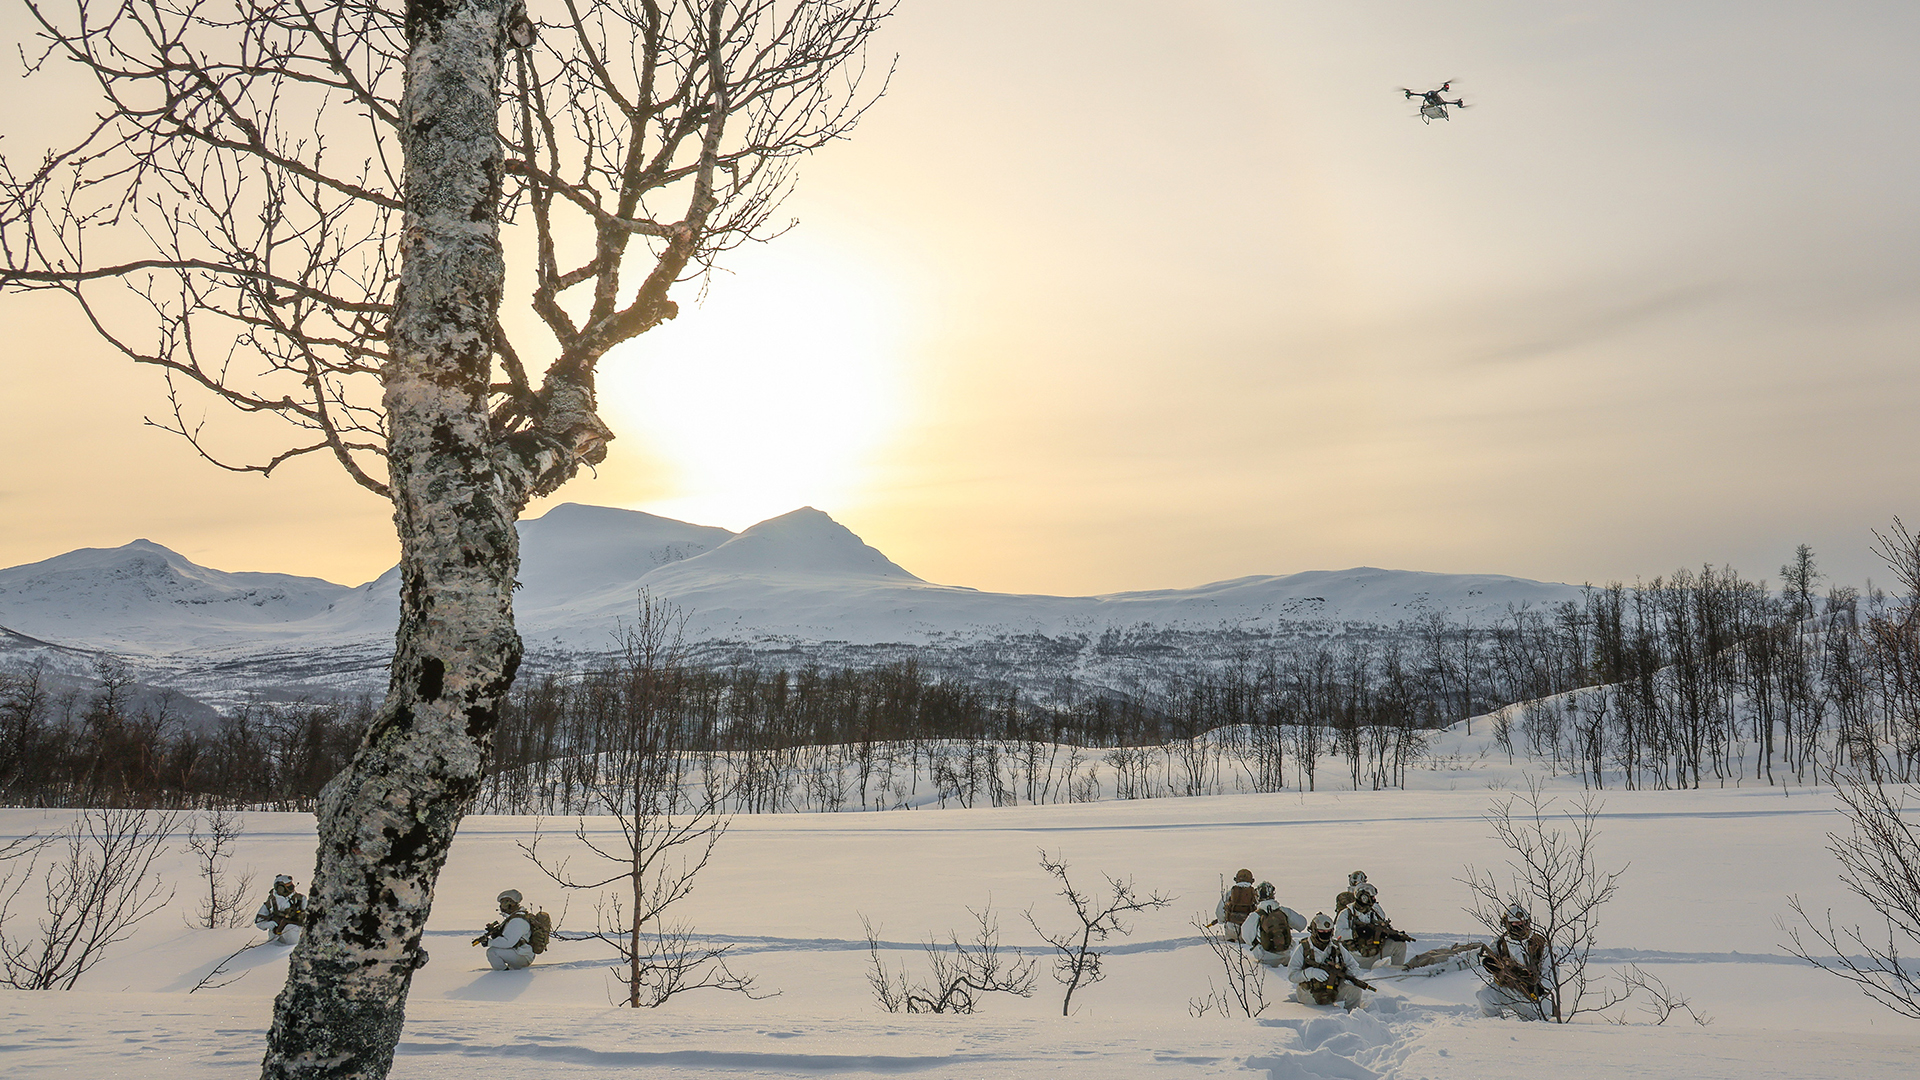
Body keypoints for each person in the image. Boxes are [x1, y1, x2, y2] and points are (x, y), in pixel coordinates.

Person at [1478, 903, 1557, 1021]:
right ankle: (1494, 1025)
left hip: (1530, 995)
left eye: (1523, 923)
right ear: (1507, 924)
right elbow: (1486, 955)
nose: (1520, 926)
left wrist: (1540, 987)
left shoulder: (1539, 943)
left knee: (1535, 1023)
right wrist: (1488, 962)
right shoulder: (1500, 942)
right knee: (1485, 995)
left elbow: (1551, 970)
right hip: (1507, 988)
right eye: (1515, 923)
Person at [1288, 912, 1370, 1009]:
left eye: (1328, 932)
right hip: (1309, 995)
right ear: (1314, 931)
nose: (1325, 935)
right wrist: (1310, 973)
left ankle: (1352, 1017)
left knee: (1355, 990)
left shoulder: (1336, 946)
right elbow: (1292, 975)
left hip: (1333, 990)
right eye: (1321, 932)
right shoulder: (1303, 948)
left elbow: (1353, 965)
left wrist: (1350, 975)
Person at [1335, 882, 1413, 969]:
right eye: (1372, 897)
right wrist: (1357, 932)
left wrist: (1394, 935)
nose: (1374, 899)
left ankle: (1396, 972)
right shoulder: (1346, 913)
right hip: (1354, 958)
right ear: (1363, 897)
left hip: (1374, 953)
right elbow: (1338, 934)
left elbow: (1383, 926)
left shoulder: (1374, 912)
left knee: (1400, 945)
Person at [1246, 881, 1307, 967]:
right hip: (1286, 956)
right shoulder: (1284, 911)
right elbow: (1302, 924)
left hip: (1264, 957)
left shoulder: (1255, 915)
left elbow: (1246, 936)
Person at [475, 889, 535, 971]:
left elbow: (508, 942)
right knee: (493, 951)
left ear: (511, 903)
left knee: (492, 952)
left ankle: (503, 975)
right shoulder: (514, 918)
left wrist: (489, 942)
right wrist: (495, 934)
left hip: (523, 955)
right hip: (520, 953)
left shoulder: (517, 921)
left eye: (504, 903)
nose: (501, 906)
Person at [254, 875, 307, 945]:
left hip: (295, 931)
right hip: (275, 936)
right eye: (288, 885)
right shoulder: (271, 902)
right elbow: (259, 921)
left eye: (291, 883)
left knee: (292, 931)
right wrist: (267, 924)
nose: (292, 886)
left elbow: (308, 915)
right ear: (280, 888)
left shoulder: (300, 899)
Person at [1214, 869, 1260, 943]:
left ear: (1236, 880)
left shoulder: (1230, 893)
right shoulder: (1255, 894)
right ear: (1251, 880)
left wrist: (1222, 920)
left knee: (1230, 946)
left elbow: (1219, 912)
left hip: (1231, 927)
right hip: (1248, 930)